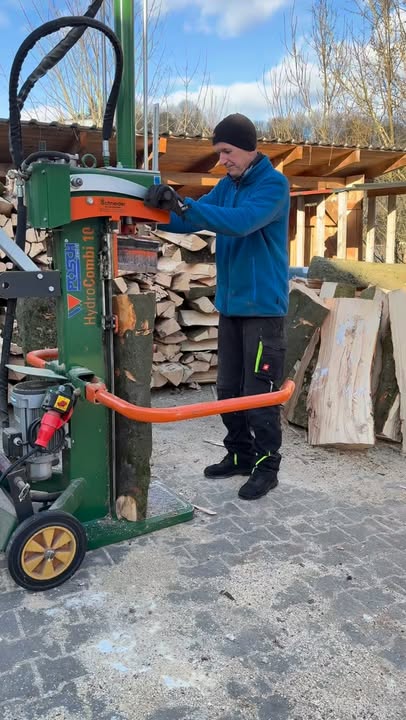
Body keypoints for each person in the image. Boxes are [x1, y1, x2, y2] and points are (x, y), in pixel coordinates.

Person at [144, 113, 290, 500]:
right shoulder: (227, 186)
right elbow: (187, 221)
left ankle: (267, 467)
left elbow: (241, 222)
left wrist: (185, 205)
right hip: (231, 306)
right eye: (219, 152)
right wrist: (151, 211)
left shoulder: (274, 186)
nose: (222, 159)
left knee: (258, 394)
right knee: (227, 389)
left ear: (248, 147)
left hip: (264, 309)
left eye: (227, 151)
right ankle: (240, 455)